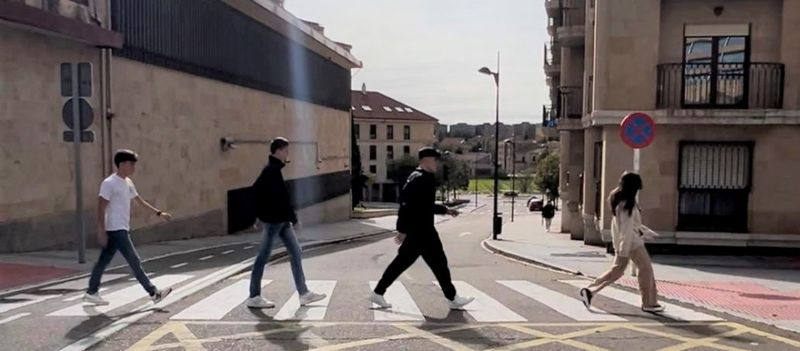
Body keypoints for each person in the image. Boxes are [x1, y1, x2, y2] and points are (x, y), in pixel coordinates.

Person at [370, 147, 474, 310]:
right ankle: (452, 298)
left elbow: (415, 204)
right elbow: (412, 205)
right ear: (426, 160)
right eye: (435, 160)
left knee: (420, 264)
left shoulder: (416, 176)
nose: (436, 164)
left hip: (419, 230)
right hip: (422, 231)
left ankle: (378, 292)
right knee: (435, 264)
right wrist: (402, 229)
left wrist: (445, 210)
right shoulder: (422, 179)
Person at [84, 150, 175, 305]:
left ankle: (92, 291)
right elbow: (101, 207)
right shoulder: (109, 183)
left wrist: (159, 213)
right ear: (122, 164)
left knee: (104, 260)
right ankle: (153, 292)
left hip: (121, 228)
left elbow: (140, 201)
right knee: (134, 260)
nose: (134, 168)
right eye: (131, 164)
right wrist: (101, 229)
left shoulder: (128, 182)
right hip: (115, 229)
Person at [247, 137, 327, 309]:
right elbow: (277, 198)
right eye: (286, 150)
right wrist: (292, 219)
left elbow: (262, 193)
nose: (288, 153)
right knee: (263, 256)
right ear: (278, 151)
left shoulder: (274, 170)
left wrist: (259, 215)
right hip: (274, 221)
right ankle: (254, 296)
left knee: (296, 252)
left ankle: (304, 293)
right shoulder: (271, 171)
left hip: (281, 221)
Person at [579, 172, 663, 313]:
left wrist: (648, 233)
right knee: (646, 270)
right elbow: (627, 228)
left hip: (625, 243)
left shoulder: (618, 199)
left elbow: (631, 225)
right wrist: (624, 249)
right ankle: (649, 303)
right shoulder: (626, 204)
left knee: (616, 272)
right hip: (632, 244)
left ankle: (590, 290)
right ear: (633, 187)